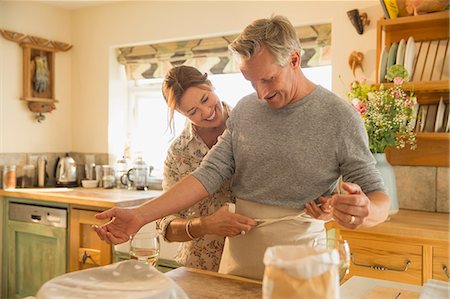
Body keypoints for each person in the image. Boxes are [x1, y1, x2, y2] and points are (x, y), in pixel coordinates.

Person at [94, 15, 389, 280]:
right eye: (251, 82)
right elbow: (207, 174)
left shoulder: (339, 117)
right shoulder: (247, 110)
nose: (261, 93)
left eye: (268, 78)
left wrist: (365, 211)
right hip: (237, 261)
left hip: (300, 263)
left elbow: (378, 200)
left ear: (295, 60)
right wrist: (140, 215)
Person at [156, 65, 254, 271]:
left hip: (252, 257)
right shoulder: (179, 152)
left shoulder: (252, 126)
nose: (207, 112)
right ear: (182, 114)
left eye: (205, 100)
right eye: (193, 112)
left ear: (210, 85)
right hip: (201, 265)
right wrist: (205, 224)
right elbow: (166, 226)